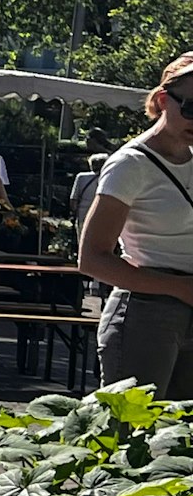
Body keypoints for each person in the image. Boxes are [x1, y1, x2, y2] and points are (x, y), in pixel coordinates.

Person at [81, 54, 193, 397]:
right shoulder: (131, 164)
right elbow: (92, 258)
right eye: (192, 107)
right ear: (162, 100)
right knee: (132, 438)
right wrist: (180, 289)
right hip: (146, 311)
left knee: (179, 443)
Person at [71, 152, 110, 229]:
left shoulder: (81, 177)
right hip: (102, 216)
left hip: (83, 215)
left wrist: (75, 213)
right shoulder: (108, 178)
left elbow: (73, 200)